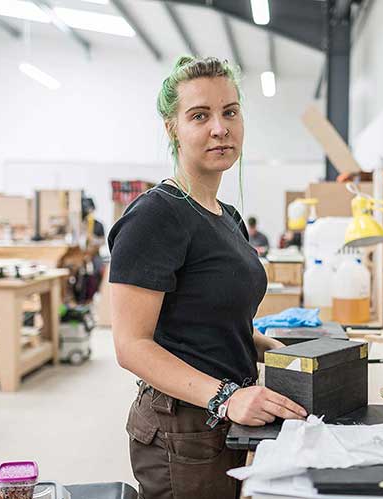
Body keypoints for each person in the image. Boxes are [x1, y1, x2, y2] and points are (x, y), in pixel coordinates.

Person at [108, 56, 306, 499]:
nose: (220, 128)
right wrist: (226, 398)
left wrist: (272, 349)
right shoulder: (156, 216)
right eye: (200, 115)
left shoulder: (227, 217)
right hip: (183, 429)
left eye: (230, 112)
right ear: (172, 128)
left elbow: (208, 317)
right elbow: (131, 346)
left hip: (226, 418)